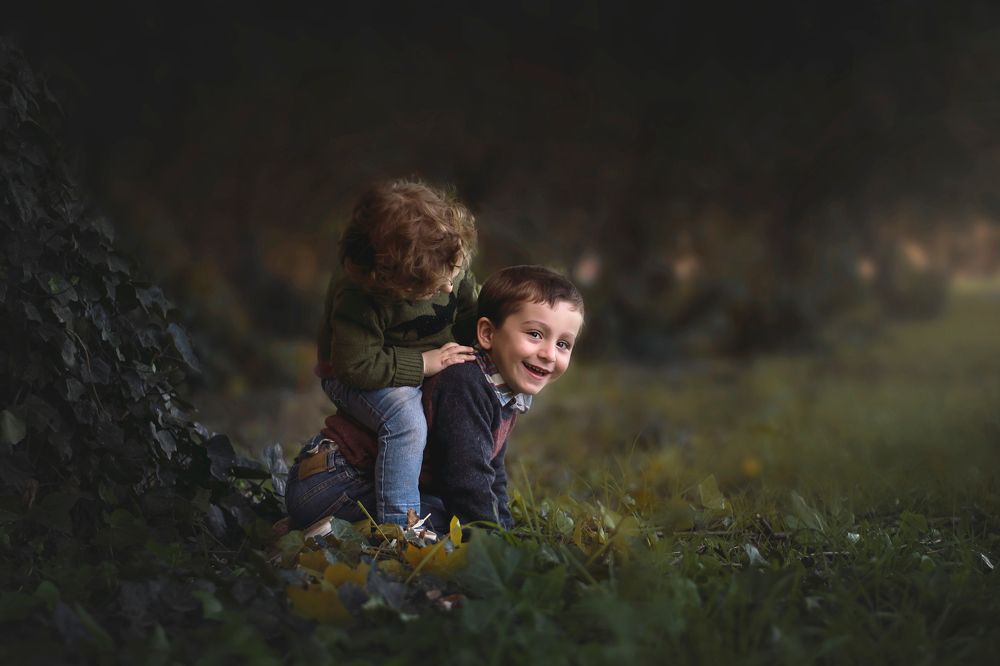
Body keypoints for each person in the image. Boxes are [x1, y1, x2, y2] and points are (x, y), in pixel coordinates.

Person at [286, 265, 586, 532]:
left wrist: (504, 526)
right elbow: (466, 480)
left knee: (455, 515)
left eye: (563, 343)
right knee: (450, 521)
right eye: (535, 334)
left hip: (343, 484)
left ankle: (316, 526)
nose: (549, 353)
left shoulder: (503, 389)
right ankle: (326, 527)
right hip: (334, 482)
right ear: (487, 334)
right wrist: (492, 538)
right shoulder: (466, 382)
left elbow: (491, 470)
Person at [315, 179, 479, 526]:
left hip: (419, 358)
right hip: (357, 372)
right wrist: (423, 364)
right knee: (405, 421)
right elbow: (355, 365)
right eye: (434, 287)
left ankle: (457, 500)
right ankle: (399, 526)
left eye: (453, 273)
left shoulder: (446, 254)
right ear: (389, 284)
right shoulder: (358, 295)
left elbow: (467, 311)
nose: (450, 286)